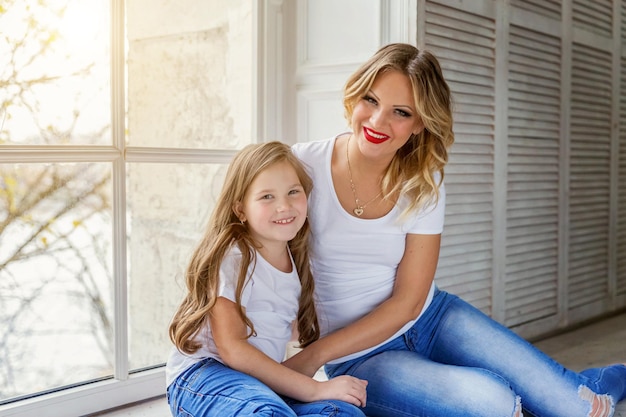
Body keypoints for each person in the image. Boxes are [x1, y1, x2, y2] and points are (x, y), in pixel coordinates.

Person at [287, 43, 626, 417]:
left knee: (581, 410)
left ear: (420, 124)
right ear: (355, 94)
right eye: (371, 99)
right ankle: (538, 387)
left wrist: (312, 356)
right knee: (494, 404)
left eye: (401, 112)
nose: (378, 121)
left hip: (432, 318)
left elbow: (409, 302)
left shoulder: (422, 179)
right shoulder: (301, 166)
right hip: (359, 356)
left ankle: (591, 385)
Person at [166, 141, 368, 417]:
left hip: (256, 383)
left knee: (341, 412)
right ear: (240, 210)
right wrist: (314, 389)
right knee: (266, 412)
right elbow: (232, 349)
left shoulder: (296, 258)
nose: (284, 206)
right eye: (267, 197)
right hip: (205, 376)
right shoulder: (235, 257)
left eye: (293, 192)